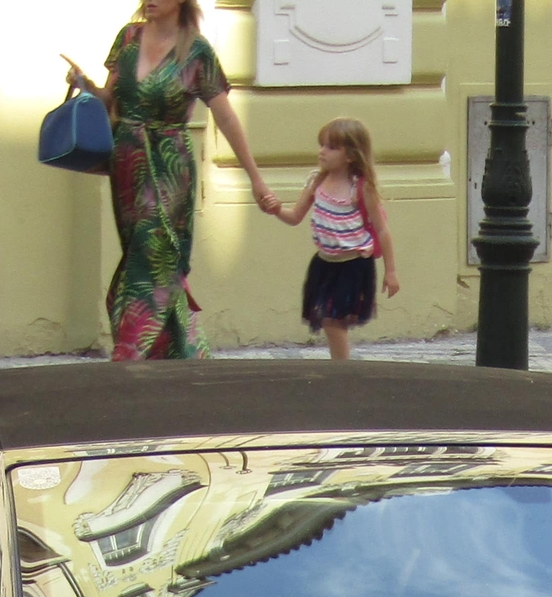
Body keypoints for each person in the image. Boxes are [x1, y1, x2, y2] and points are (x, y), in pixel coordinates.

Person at [64, 1, 277, 361]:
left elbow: (225, 117)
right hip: (127, 166)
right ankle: (186, 353)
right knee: (144, 255)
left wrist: (256, 178)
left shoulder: (196, 51)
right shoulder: (128, 38)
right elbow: (109, 100)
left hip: (169, 169)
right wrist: (84, 84)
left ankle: (129, 351)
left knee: (154, 253)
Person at [268, 119, 400, 361]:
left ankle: (342, 371)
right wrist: (276, 209)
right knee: (332, 321)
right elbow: (295, 216)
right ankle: (341, 368)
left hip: (353, 266)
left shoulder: (360, 188)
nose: (322, 151)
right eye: (321, 145)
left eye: (331, 147)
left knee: (332, 322)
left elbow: (382, 231)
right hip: (324, 264)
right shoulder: (316, 182)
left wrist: (390, 271)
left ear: (350, 155)